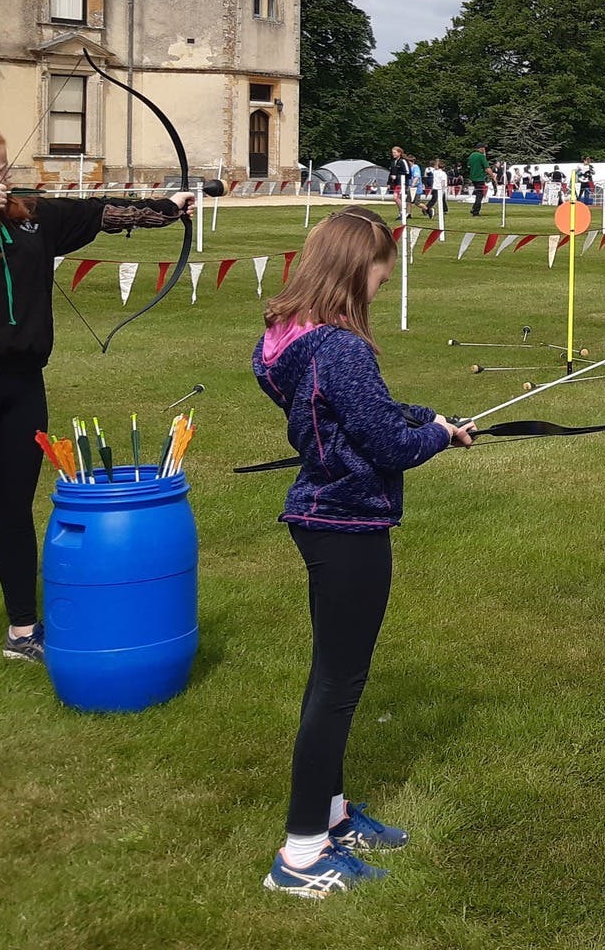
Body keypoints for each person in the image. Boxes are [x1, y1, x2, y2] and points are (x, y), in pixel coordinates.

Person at [0, 123, 191, 693]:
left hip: (22, 386)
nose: (6, 175)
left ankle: (24, 631)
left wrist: (167, 207)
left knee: (14, 510)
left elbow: (98, 214)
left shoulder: (29, 219)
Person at [251, 206, 477, 897]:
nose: (384, 281)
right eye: (382, 269)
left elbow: (361, 411)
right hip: (345, 523)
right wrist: (435, 435)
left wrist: (423, 415)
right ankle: (298, 855)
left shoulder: (293, 338)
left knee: (334, 679)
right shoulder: (341, 349)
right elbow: (389, 444)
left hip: (323, 515)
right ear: (358, 268)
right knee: (338, 686)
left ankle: (332, 814)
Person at [467, 144, 489, 215]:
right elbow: (487, 168)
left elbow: (469, 165)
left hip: (473, 177)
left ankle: (474, 208)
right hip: (479, 178)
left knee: (478, 194)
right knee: (480, 195)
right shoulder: (481, 156)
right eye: (484, 148)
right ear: (481, 149)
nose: (485, 150)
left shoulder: (472, 155)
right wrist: (493, 175)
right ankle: (475, 211)